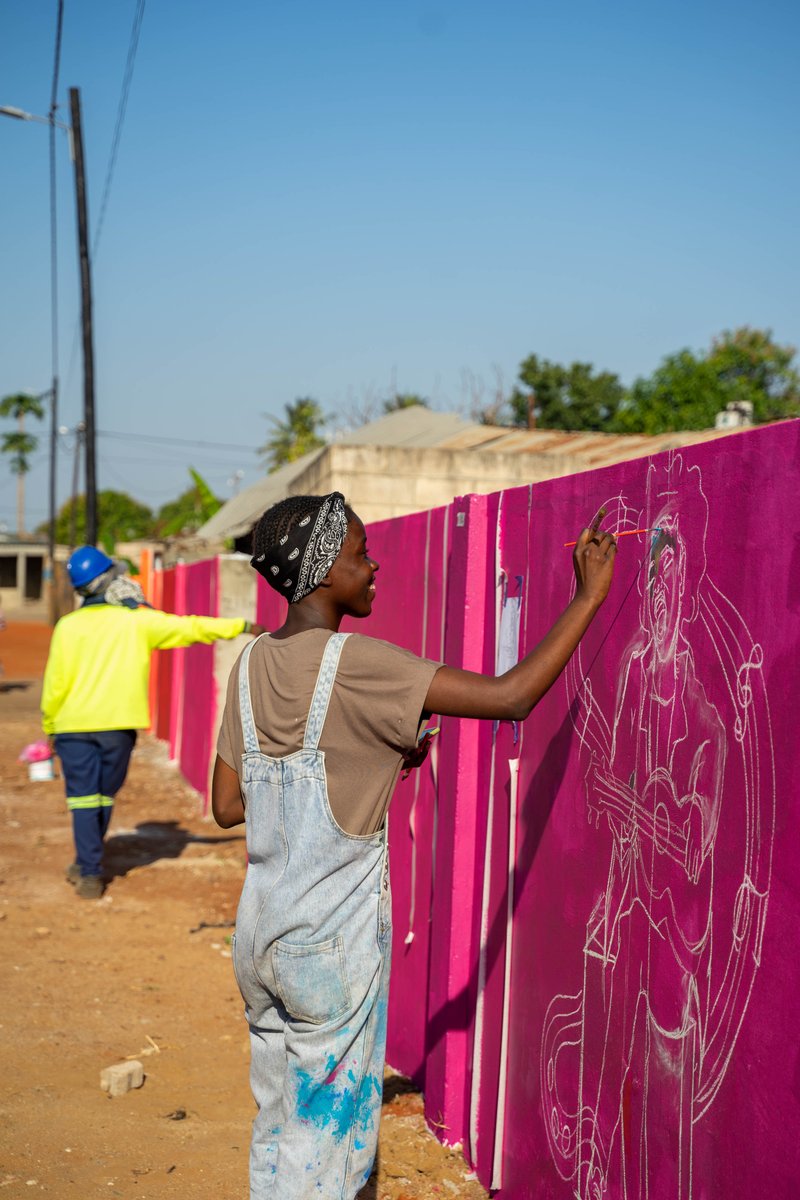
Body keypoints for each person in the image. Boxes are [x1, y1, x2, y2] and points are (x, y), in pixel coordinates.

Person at [211, 491, 617, 1200]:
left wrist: (368, 760)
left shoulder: (249, 666)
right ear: (322, 574)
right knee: (327, 1152)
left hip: (260, 937)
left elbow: (226, 805)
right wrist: (588, 598)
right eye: (360, 556)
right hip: (326, 950)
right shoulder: (357, 662)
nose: (375, 568)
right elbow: (511, 696)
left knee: (281, 1125)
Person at [41, 544, 264, 899]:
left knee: (88, 799)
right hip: (117, 726)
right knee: (99, 797)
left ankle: (87, 861)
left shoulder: (67, 627)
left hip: (72, 726)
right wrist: (242, 625)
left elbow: (55, 683)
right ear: (111, 580)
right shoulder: (137, 621)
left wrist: (50, 725)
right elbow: (189, 627)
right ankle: (89, 870)